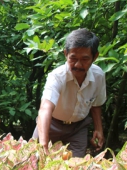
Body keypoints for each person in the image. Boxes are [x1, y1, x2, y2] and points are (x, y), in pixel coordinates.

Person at [32, 28, 106, 157]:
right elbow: (45, 109)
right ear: (65, 53)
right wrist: (43, 143)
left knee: (75, 169)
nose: (78, 64)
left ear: (95, 57)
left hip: (78, 128)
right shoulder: (57, 76)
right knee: (35, 162)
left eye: (85, 59)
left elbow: (96, 104)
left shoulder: (98, 76)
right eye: (73, 58)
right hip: (51, 125)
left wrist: (98, 129)